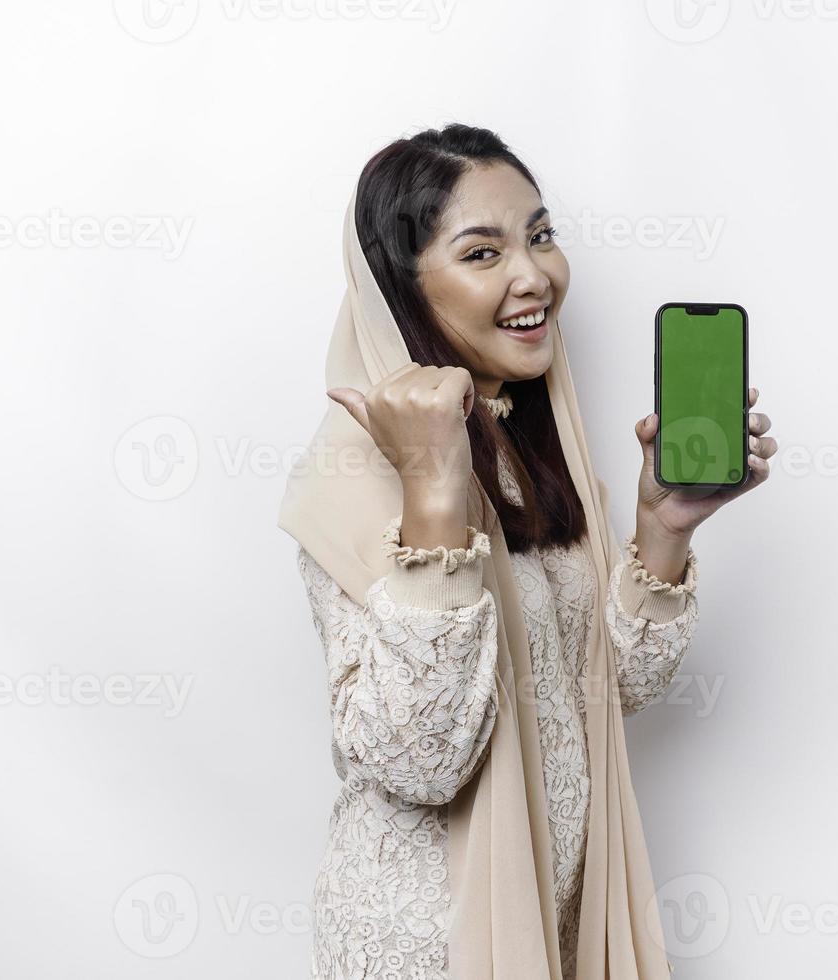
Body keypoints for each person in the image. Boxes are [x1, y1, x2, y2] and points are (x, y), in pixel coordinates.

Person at [277, 123, 777, 980]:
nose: (533, 275)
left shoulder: (526, 443)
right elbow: (420, 761)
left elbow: (599, 693)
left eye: (540, 236)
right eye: (482, 253)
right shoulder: (353, 473)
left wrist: (662, 531)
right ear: (404, 290)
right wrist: (434, 496)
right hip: (430, 945)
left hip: (554, 912)